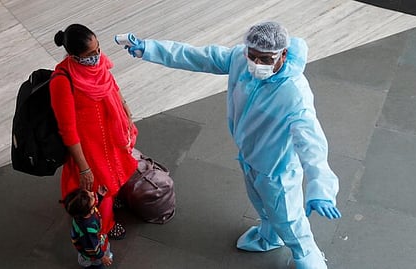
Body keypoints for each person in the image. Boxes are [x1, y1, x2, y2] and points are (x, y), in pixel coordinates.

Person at [122, 21, 341, 269]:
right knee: (261, 203)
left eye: (265, 59)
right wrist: (148, 48)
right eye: (253, 55)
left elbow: (312, 143)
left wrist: (320, 188)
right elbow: (197, 56)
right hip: (250, 158)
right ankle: (270, 235)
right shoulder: (240, 59)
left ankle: (309, 258)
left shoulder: (294, 93)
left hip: (276, 170)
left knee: (290, 220)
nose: (256, 64)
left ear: (283, 54)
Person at [50, 24, 137, 241]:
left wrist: (124, 105)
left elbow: (110, 81)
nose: (97, 56)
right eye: (90, 54)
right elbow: (67, 130)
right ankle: (105, 227)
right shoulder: (62, 81)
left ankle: (111, 202)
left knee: (114, 175)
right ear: (74, 55)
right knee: (99, 188)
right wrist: (83, 168)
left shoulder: (97, 62)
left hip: (109, 136)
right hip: (89, 147)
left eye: (98, 49)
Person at [61, 185, 114, 268]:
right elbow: (92, 247)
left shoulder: (81, 213)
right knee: (97, 265)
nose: (93, 193)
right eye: (92, 196)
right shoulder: (88, 228)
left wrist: (99, 196)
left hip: (95, 239)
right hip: (93, 253)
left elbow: (93, 205)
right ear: (88, 210)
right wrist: (102, 257)